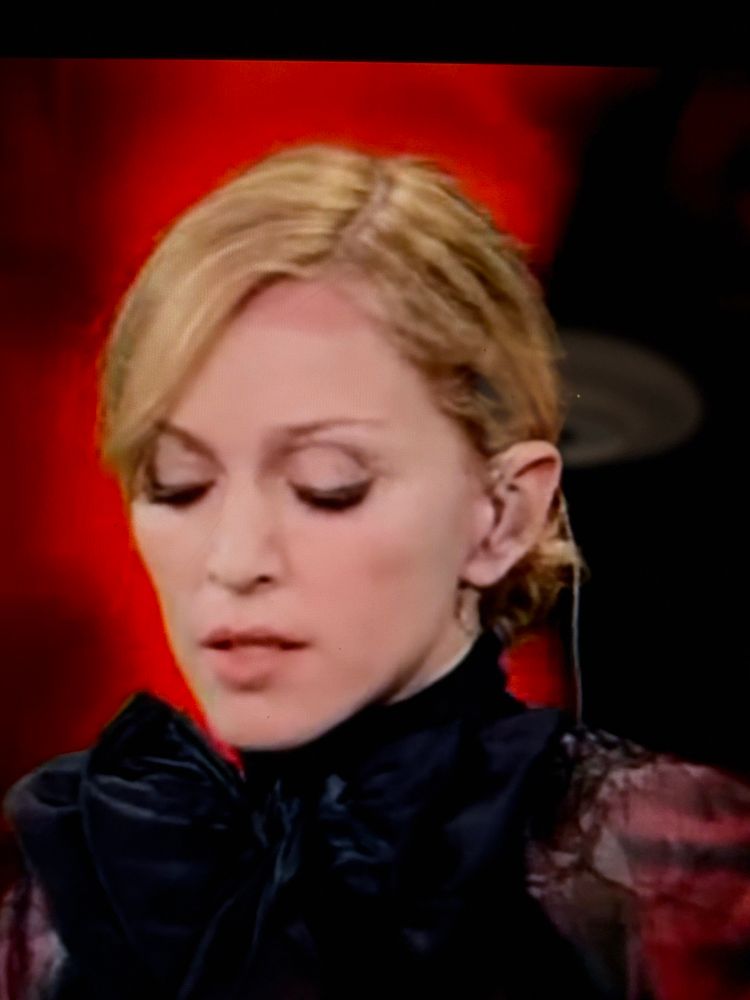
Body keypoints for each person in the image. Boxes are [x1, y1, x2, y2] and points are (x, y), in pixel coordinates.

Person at [1, 144, 749, 1000]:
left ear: (502, 513)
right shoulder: (75, 896)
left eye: (330, 486)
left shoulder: (684, 875)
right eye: (178, 485)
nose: (234, 560)